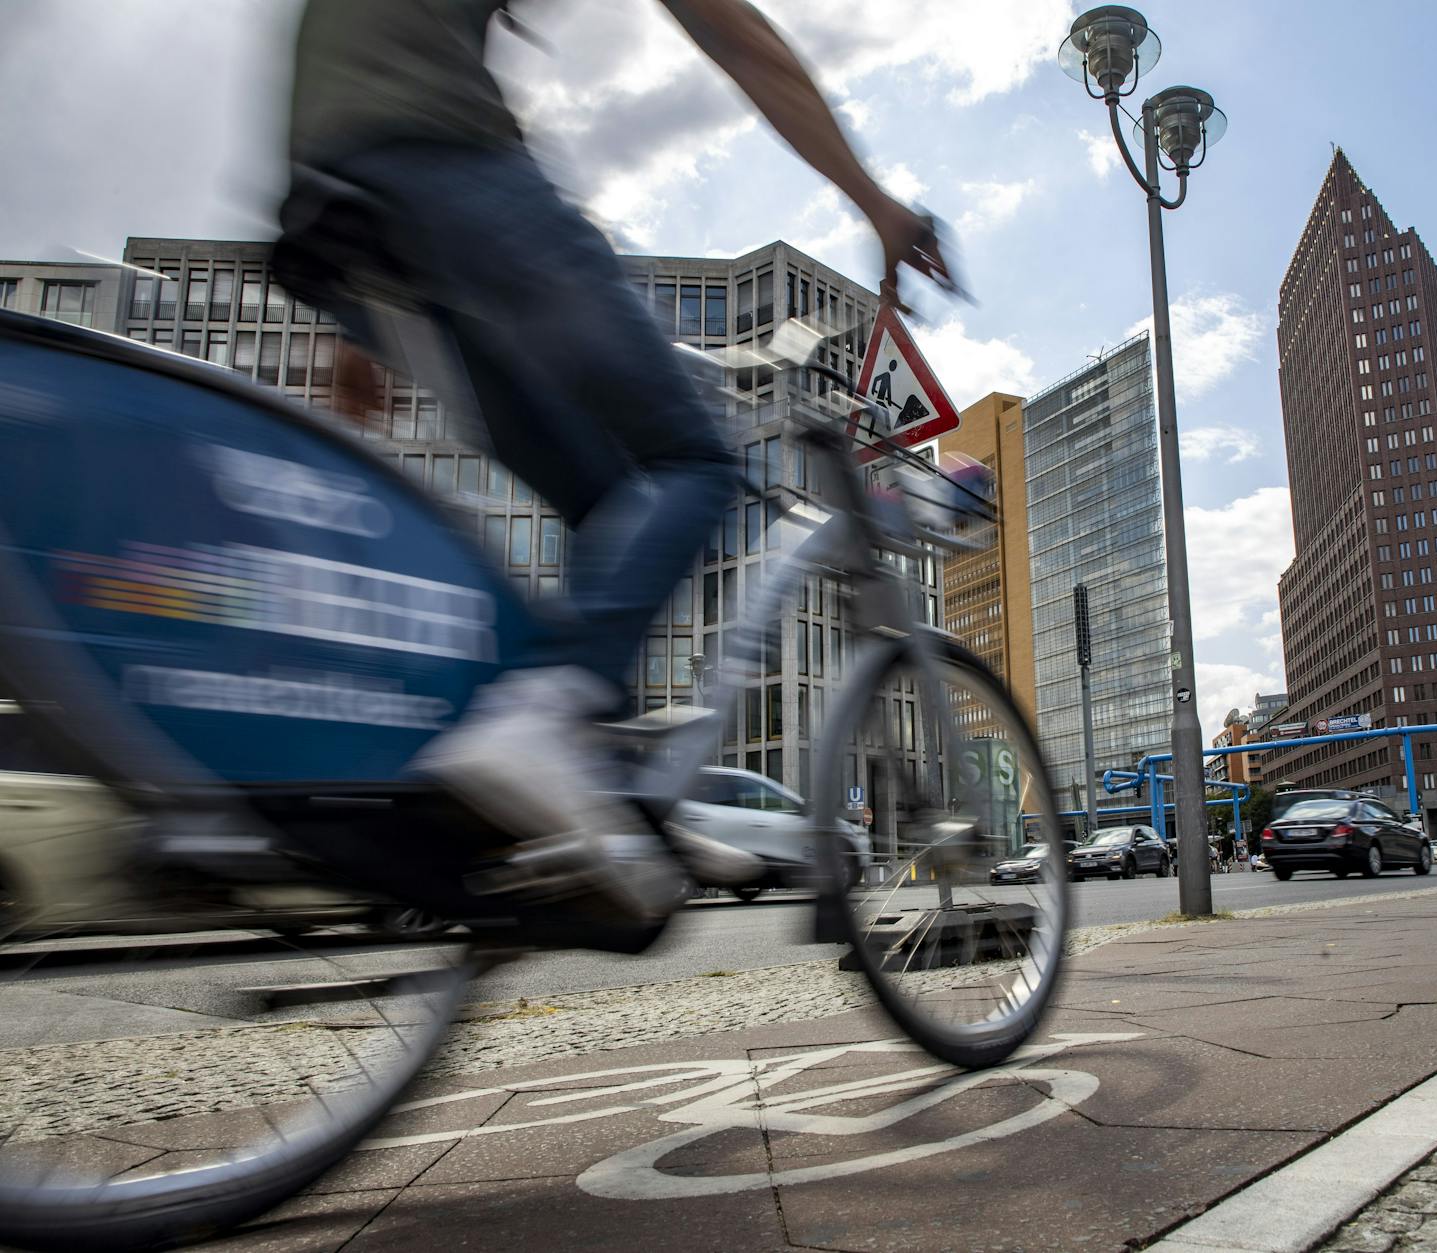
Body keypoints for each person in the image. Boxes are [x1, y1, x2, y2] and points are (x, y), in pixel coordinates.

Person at [272, 0, 955, 922]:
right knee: (695, 460)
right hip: (453, 167)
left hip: (346, 219)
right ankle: (539, 723)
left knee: (608, 504)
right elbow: (740, 40)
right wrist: (877, 206)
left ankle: (609, 799)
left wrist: (361, 330)